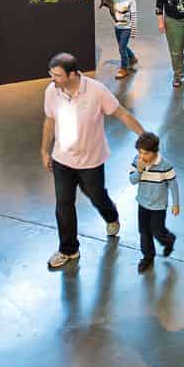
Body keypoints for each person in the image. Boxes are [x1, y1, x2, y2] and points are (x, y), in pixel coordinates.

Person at [42, 53, 145, 269]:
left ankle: (111, 216)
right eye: (51, 74)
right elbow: (49, 121)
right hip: (62, 159)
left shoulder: (96, 90)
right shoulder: (52, 91)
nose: (53, 79)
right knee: (63, 204)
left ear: (73, 74)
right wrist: (44, 150)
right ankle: (68, 249)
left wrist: (144, 138)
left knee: (97, 196)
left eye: (58, 75)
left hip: (91, 161)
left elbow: (121, 114)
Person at [129, 132, 179, 274]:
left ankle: (169, 240)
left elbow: (173, 185)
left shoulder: (165, 165)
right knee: (144, 231)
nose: (142, 156)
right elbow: (132, 181)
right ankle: (147, 257)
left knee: (157, 231)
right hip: (143, 203)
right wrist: (139, 171)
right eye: (139, 152)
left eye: (145, 153)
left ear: (155, 152)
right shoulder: (137, 161)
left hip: (158, 206)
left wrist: (176, 204)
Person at [107, 0, 138, 79]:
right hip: (117, 28)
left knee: (121, 48)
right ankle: (132, 57)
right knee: (122, 46)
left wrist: (133, 30)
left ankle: (124, 68)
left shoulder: (131, 2)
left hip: (127, 29)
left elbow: (134, 16)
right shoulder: (115, 0)